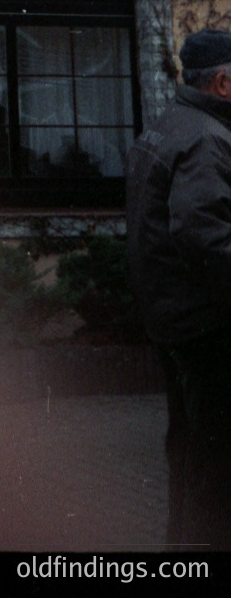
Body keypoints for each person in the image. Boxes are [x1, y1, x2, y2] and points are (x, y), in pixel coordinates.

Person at [126, 29, 231, 549]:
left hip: (172, 318)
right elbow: (203, 231)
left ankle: (182, 543)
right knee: (214, 452)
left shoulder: (169, 125)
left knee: (189, 442)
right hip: (207, 325)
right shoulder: (208, 138)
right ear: (223, 82)